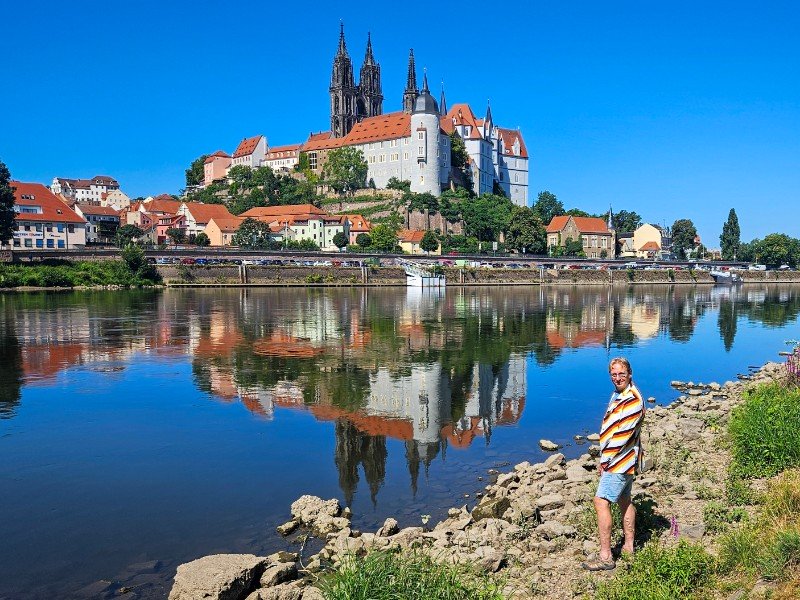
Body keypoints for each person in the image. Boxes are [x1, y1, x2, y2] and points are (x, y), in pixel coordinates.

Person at [581, 357, 644, 571]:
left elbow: (622, 436)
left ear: (630, 374)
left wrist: (605, 460)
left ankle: (606, 556)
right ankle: (628, 547)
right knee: (624, 500)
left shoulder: (632, 400)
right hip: (625, 459)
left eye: (621, 374)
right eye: (614, 374)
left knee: (601, 502)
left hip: (619, 460)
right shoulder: (620, 394)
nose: (617, 378)